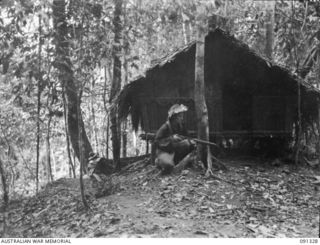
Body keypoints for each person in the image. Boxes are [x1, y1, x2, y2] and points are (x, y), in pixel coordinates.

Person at [154, 104, 196, 174]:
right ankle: (158, 161)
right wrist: (171, 138)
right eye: (180, 116)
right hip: (164, 151)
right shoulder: (165, 127)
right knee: (169, 166)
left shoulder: (181, 126)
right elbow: (157, 141)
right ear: (174, 117)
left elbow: (187, 136)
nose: (182, 118)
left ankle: (177, 161)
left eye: (182, 116)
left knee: (189, 144)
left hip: (175, 151)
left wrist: (191, 141)